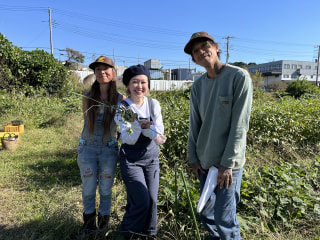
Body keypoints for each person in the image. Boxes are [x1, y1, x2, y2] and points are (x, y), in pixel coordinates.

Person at [184, 32, 253, 240]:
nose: (201, 52)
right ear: (194, 59)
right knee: (206, 211)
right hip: (204, 161)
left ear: (216, 47)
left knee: (225, 217)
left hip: (227, 165)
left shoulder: (238, 77)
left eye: (205, 46)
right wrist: (193, 158)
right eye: (195, 51)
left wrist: (228, 163)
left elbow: (240, 125)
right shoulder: (198, 86)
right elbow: (194, 124)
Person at [114, 64, 166, 239]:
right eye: (135, 82)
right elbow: (127, 138)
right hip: (131, 159)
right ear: (128, 85)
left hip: (151, 158)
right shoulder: (123, 107)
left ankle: (148, 233)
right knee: (141, 200)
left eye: (143, 82)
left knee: (151, 200)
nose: (139, 86)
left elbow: (159, 132)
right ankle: (128, 234)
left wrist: (149, 129)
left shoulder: (153, 104)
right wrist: (137, 126)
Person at [77, 56, 125, 234]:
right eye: (98, 69)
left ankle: (104, 225)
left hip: (108, 150)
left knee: (105, 190)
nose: (102, 72)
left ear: (113, 73)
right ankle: (89, 225)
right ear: (94, 73)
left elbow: (125, 124)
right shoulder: (87, 96)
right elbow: (85, 120)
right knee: (88, 189)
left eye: (106, 69)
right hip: (87, 148)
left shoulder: (121, 99)